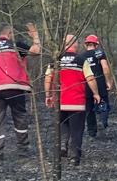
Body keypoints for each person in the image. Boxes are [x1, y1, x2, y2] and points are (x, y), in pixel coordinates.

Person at [0, 22, 41, 161]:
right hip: (15, 87)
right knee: (19, 117)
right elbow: (36, 51)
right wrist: (35, 36)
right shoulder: (16, 46)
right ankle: (23, 151)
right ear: (9, 34)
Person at [44, 35, 103, 166]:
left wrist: (48, 95)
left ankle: (63, 147)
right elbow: (90, 78)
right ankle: (74, 157)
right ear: (75, 45)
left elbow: (48, 78)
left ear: (64, 45)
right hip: (77, 102)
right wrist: (96, 93)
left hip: (60, 101)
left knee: (63, 125)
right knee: (77, 129)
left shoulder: (55, 60)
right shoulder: (81, 60)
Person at [82, 33, 113, 138]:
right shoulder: (99, 53)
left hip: (87, 84)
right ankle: (103, 121)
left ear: (86, 44)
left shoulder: (81, 56)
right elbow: (105, 67)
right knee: (103, 103)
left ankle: (92, 131)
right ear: (96, 44)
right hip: (99, 83)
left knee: (89, 108)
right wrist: (108, 81)